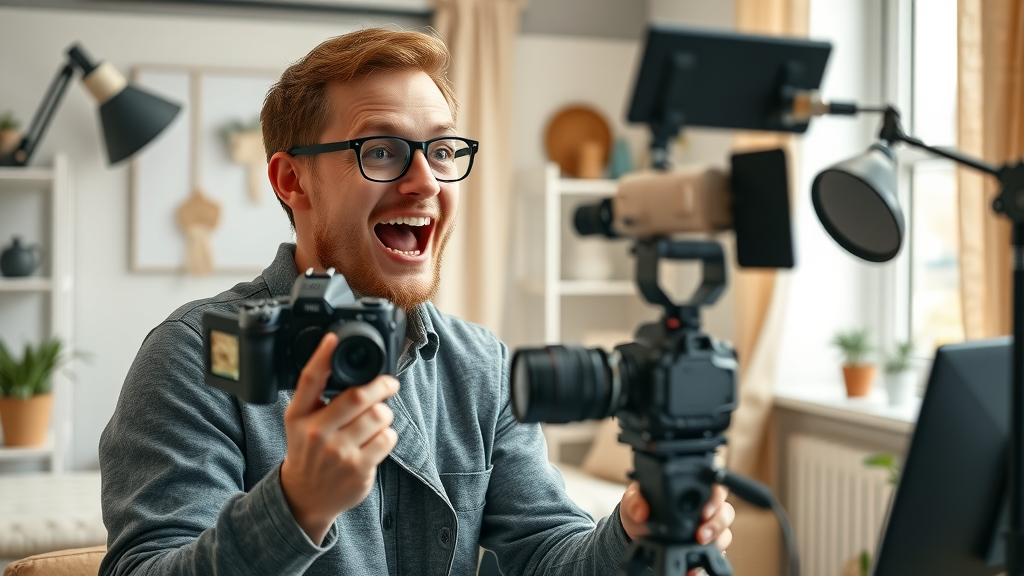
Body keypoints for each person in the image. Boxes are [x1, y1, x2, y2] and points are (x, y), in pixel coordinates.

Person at [98, 28, 735, 576]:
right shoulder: (199, 354)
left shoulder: (480, 364)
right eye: (380, 151)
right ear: (293, 181)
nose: (425, 180)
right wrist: (295, 507)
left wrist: (629, 531)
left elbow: (544, 552)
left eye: (442, 149)